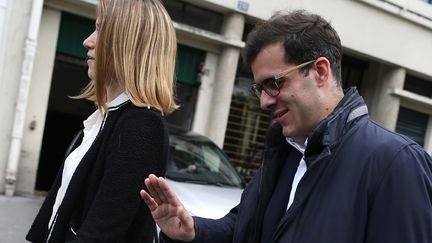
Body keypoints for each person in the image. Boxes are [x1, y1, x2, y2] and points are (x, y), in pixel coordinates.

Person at [140, 9, 432, 243]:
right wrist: (193, 231)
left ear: (319, 71)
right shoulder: (287, 150)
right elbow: (243, 228)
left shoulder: (396, 162)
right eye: (259, 89)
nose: (264, 102)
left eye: (275, 83)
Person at [26, 0, 177, 242]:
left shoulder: (140, 126)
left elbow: (101, 234)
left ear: (130, 45)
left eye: (101, 29)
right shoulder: (106, 117)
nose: (88, 41)